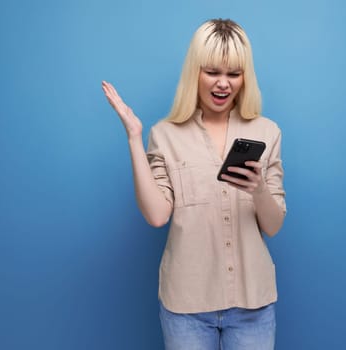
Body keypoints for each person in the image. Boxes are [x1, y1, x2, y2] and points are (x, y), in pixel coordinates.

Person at [102, 18, 286, 350]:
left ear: (246, 77)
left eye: (234, 74)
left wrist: (258, 188)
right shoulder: (165, 135)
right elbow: (157, 216)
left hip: (253, 305)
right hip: (186, 307)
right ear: (195, 72)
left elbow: (273, 226)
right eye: (212, 72)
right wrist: (134, 137)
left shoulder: (267, 132)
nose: (223, 84)